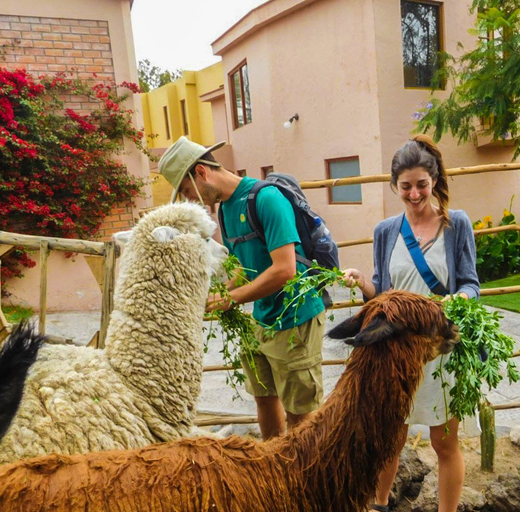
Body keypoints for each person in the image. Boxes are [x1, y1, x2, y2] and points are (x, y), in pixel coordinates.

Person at [343, 134, 480, 512]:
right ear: (394, 187)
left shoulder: (457, 225)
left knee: (445, 444)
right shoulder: (386, 231)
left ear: (434, 180)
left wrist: (461, 298)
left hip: (440, 351)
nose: (415, 194)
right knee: (391, 437)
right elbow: (382, 292)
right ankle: (381, 505)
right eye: (406, 187)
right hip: (397, 353)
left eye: (422, 184)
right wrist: (361, 282)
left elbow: (471, 282)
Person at [159, 136, 326, 440]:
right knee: (264, 398)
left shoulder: (266, 199)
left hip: (294, 317)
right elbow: (241, 266)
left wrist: (231, 298)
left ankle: (304, 479)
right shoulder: (224, 210)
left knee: (299, 413)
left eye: (185, 191)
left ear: (201, 173)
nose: (189, 200)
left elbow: (285, 269)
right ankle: (271, 466)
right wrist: (221, 292)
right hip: (261, 318)